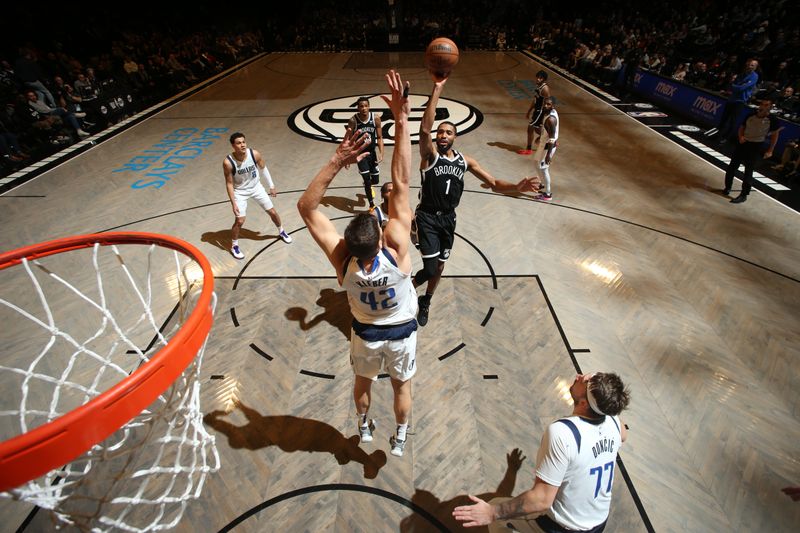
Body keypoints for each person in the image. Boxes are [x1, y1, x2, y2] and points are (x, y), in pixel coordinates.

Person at [297, 70, 416, 458]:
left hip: (365, 332)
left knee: (363, 386)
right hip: (401, 331)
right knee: (402, 388)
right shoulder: (397, 248)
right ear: (381, 236)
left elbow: (306, 208)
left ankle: (364, 428)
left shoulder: (343, 259)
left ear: (350, 241)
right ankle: (399, 437)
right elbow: (400, 181)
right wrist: (401, 118)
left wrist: (336, 160)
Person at [414, 77, 539, 327]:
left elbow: (493, 182)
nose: (442, 135)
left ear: (455, 137)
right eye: (440, 132)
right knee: (428, 269)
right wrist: (437, 89)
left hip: (448, 219)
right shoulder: (430, 156)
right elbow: (424, 130)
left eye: (448, 132)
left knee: (439, 268)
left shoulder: (466, 162)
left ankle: (426, 300)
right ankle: (405, 289)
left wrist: (516, 186)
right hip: (426, 216)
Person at [453, 372, 631, 532]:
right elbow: (623, 435)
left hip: (564, 527)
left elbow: (541, 499)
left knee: (496, 514)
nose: (578, 376)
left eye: (583, 381)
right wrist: (511, 472)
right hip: (598, 522)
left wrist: (492, 512)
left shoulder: (563, 433)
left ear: (584, 403)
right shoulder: (613, 421)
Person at [223, 132, 292, 259]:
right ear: (233, 145)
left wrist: (271, 186)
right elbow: (229, 183)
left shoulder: (254, 154)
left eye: (243, 142)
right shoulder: (228, 162)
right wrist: (233, 203)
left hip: (256, 188)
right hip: (240, 192)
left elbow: (263, 169)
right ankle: (234, 246)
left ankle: (281, 231)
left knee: (272, 212)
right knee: (239, 220)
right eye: (239, 143)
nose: (242, 145)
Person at [722, 99, 782, 204]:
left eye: (766, 105)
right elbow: (742, 127)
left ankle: (744, 194)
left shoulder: (772, 120)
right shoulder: (751, 115)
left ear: (770, 107)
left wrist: (770, 150)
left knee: (748, 171)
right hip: (743, 142)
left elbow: (774, 135)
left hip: (756, 146)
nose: (763, 106)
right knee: (732, 166)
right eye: (762, 104)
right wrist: (740, 137)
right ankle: (727, 187)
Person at [346, 97, 384, 218]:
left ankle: (368, 185)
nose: (364, 108)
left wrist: (381, 152)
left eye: (366, 106)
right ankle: (371, 204)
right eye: (361, 106)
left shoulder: (376, 118)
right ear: (358, 108)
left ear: (369, 106)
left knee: (375, 180)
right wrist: (348, 157)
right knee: (367, 180)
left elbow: (379, 137)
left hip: (372, 154)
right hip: (361, 154)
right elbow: (349, 140)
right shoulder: (353, 121)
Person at [706, 59, 759, 141]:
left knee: (732, 121)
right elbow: (732, 86)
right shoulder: (741, 75)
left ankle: (726, 138)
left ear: (755, 67)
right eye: (749, 64)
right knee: (724, 119)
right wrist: (737, 86)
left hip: (740, 101)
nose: (749, 66)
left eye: (752, 65)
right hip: (731, 100)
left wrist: (737, 87)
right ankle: (718, 135)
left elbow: (742, 88)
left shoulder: (754, 76)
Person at [533, 97, 560, 201]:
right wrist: (541, 137)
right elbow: (549, 132)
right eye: (545, 103)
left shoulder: (551, 119)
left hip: (548, 147)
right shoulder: (550, 112)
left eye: (548, 104)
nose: (545, 105)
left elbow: (552, 138)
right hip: (544, 144)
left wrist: (548, 155)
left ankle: (548, 194)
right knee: (535, 162)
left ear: (553, 106)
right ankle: (542, 184)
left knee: (544, 169)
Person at [518, 71, 551, 155]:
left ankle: (528, 149)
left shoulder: (545, 89)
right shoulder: (538, 86)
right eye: (537, 77)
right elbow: (535, 100)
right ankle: (550, 140)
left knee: (530, 127)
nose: (538, 79)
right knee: (537, 129)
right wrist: (529, 111)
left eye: (540, 78)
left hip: (540, 111)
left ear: (544, 80)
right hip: (537, 110)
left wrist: (546, 114)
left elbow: (549, 102)